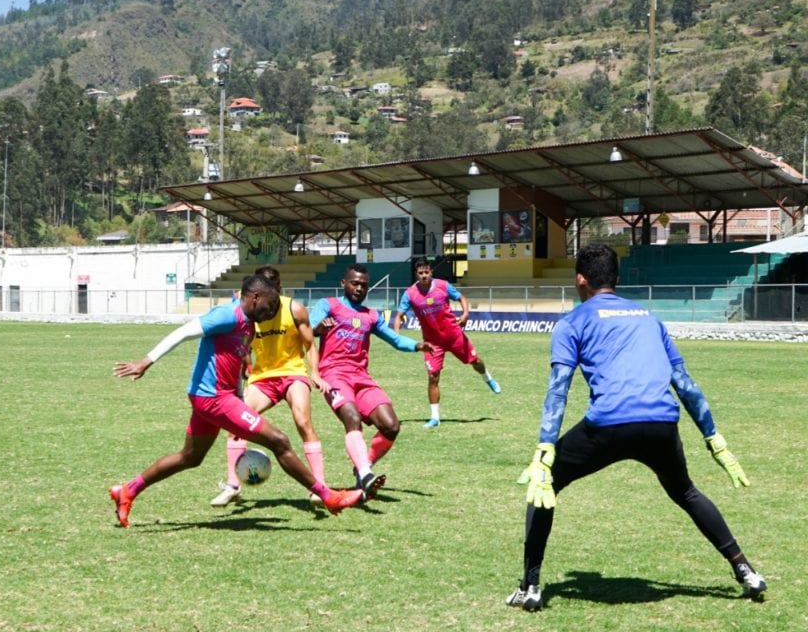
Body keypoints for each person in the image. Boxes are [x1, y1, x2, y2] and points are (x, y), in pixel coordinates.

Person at [507, 243, 765, 612]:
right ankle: (745, 570)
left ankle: (530, 586)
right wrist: (714, 438)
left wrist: (545, 447)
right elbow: (685, 383)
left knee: (543, 486)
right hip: (661, 423)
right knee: (686, 492)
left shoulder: (572, 322)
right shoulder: (649, 317)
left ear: (580, 279)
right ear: (617, 278)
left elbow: (558, 388)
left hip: (608, 425)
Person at [109, 273, 363, 528]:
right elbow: (183, 332)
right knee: (279, 441)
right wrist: (146, 361)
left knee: (190, 457)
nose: (273, 310)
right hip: (213, 399)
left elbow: (237, 366)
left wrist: (239, 397)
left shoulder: (250, 326)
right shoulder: (226, 315)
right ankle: (328, 496)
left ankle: (128, 490)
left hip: (214, 397)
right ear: (255, 297)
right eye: (271, 304)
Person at [310, 263, 435, 498]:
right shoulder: (328, 305)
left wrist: (417, 345)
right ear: (343, 284)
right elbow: (305, 329)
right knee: (352, 417)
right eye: (354, 283)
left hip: (361, 377)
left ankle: (362, 466)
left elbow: (395, 339)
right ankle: (366, 476)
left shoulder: (371, 316)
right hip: (334, 374)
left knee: (391, 426)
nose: (359, 288)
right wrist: (318, 330)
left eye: (364, 285)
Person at [210, 265, 329, 508]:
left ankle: (320, 486)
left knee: (303, 422)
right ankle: (233, 486)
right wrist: (245, 366)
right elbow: (242, 344)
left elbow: (310, 345)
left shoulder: (294, 309)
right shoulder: (249, 312)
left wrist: (315, 372)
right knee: (235, 425)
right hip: (262, 378)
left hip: (293, 373)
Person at [393, 258, 500, 428]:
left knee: (475, 362)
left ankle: (488, 378)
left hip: (454, 336)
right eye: (420, 273)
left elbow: (461, 297)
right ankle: (435, 418)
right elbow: (399, 316)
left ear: (431, 272)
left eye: (426, 272)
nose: (423, 276)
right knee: (433, 377)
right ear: (416, 274)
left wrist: (465, 314)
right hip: (432, 343)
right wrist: (396, 335)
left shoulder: (443, 285)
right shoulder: (410, 294)